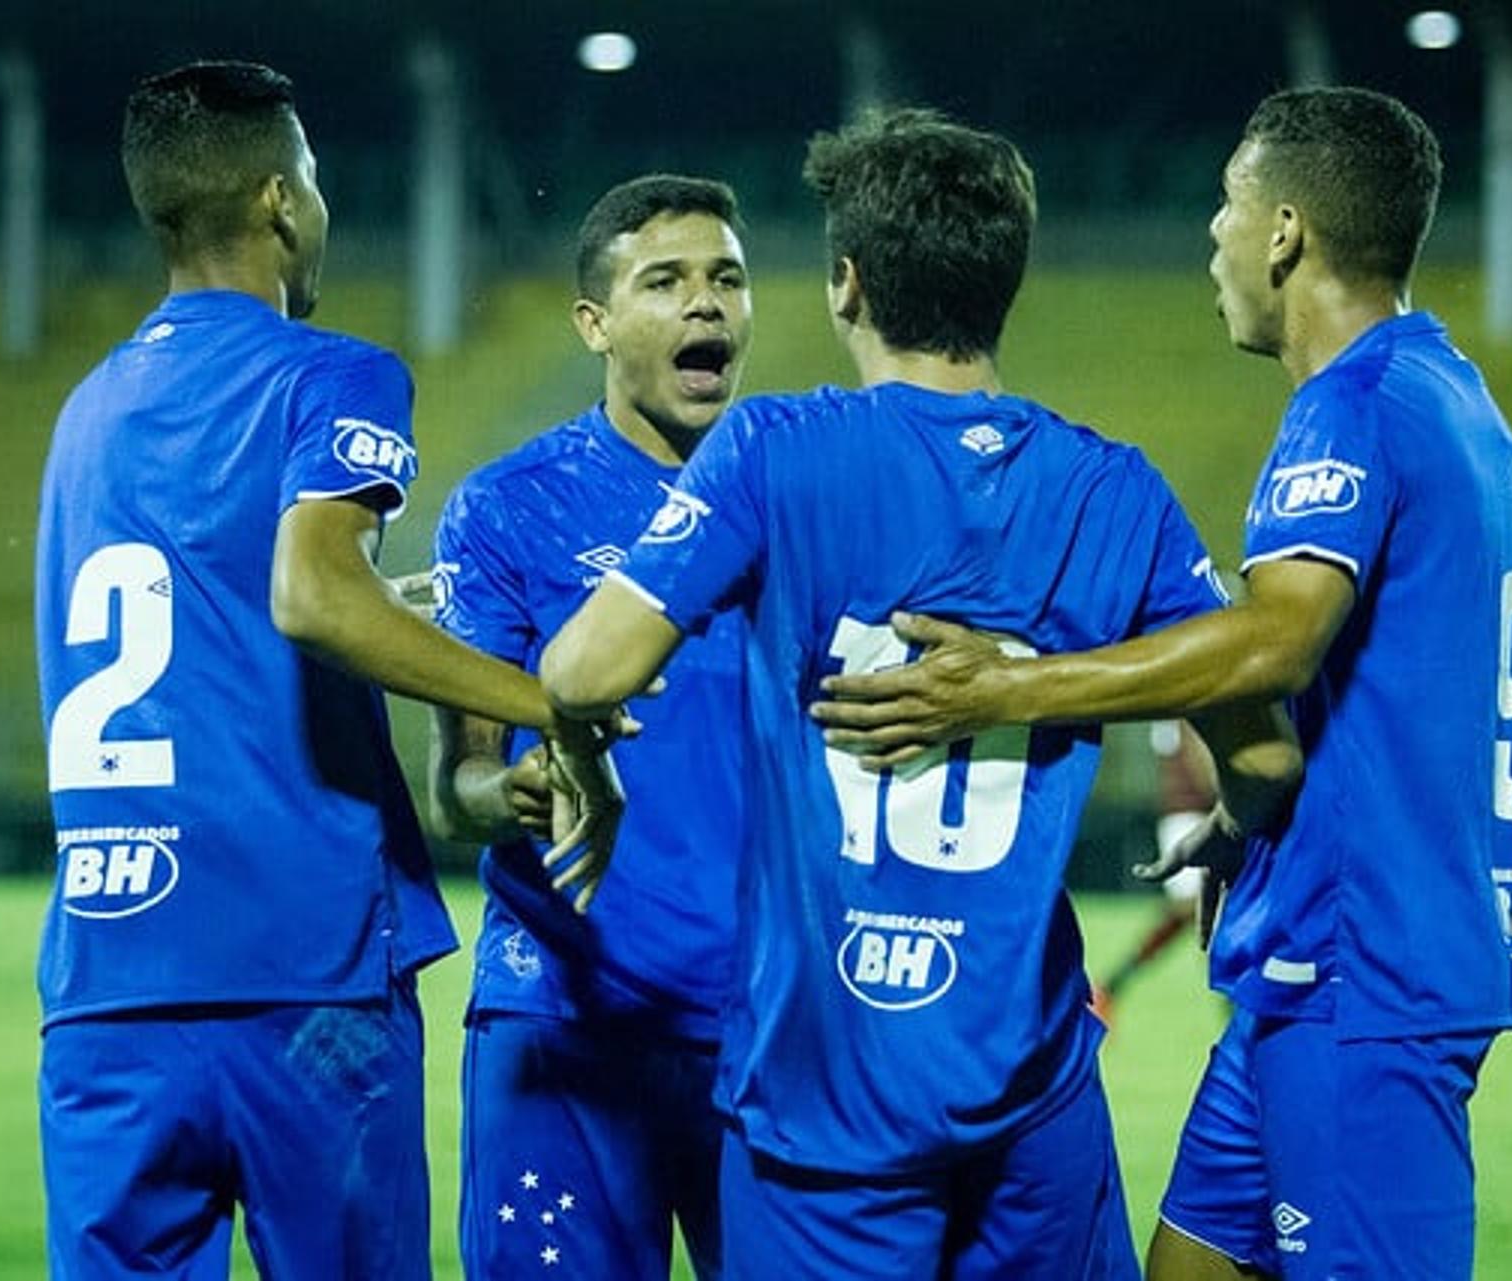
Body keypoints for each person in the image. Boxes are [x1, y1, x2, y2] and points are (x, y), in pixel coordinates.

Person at [810, 87, 1512, 1279]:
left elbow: (1274, 643)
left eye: (1227, 210)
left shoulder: (1346, 408)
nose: (1213, 241)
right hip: (1314, 965)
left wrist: (1004, 689)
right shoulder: (1456, 398)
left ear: (1285, 232)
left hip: (1366, 976)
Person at [539, 108, 1301, 1281]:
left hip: (822, 1093)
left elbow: (581, 673)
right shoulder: (1117, 492)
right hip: (1031, 1095)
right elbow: (1263, 764)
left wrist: (589, 762)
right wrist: (1225, 827)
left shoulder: (771, 451)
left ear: (846, 284)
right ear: (1007, 282)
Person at [33, 61, 568, 1280]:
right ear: (281, 200)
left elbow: (227, 603)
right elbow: (309, 592)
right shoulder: (328, 374)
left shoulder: (84, 414)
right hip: (304, 981)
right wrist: (546, 704)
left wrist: (379, 608)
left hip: (110, 993)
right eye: (317, 183)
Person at [426, 174, 753, 1280]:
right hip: (561, 1015)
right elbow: (459, 780)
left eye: (726, 279)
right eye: (664, 281)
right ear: (595, 323)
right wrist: (508, 793)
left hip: (760, 1024)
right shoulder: (509, 506)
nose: (705, 306)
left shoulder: (793, 495)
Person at [1090, 720, 1216, 1025]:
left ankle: (1111, 986)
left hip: (1183, 818)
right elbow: (1205, 769)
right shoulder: (1194, 701)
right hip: (1192, 819)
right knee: (1200, 913)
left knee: (1202, 916)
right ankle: (1111, 986)